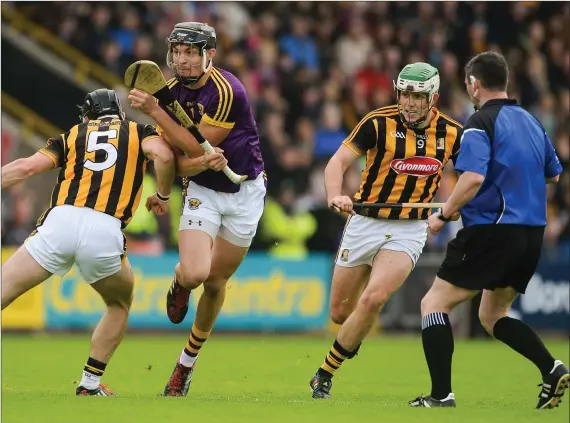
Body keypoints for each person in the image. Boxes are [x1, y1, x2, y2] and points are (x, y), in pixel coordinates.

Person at [409, 51, 567, 409]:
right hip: (531, 233)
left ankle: (440, 395)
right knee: (491, 315)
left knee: (433, 303)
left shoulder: (479, 123)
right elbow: (554, 172)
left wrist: (444, 214)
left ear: (473, 85)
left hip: (493, 230)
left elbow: (474, 177)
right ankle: (552, 368)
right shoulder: (532, 121)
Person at [1, 89, 179, 396]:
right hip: (105, 229)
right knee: (119, 303)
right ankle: (90, 383)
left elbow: (27, 168)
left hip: (61, 221)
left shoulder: (73, 134)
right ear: (120, 113)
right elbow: (163, 155)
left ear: (87, 115)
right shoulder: (138, 131)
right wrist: (163, 195)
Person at [308, 62, 463, 399]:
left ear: (433, 98)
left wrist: (456, 204)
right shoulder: (378, 122)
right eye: (404, 94)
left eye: (417, 97)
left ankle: (324, 373)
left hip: (409, 229)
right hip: (365, 222)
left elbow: (473, 176)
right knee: (339, 312)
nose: (408, 103)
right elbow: (337, 162)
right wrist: (335, 194)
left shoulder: (453, 133)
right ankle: (352, 335)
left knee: (374, 298)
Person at [127, 21, 266, 397]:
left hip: (244, 191)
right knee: (194, 273)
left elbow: (192, 147)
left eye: (192, 52)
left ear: (210, 55)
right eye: (178, 52)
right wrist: (192, 163)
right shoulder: (167, 92)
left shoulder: (227, 91)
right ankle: (180, 282)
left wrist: (157, 113)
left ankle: (184, 366)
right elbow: (181, 163)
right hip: (203, 188)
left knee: (216, 282)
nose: (183, 60)